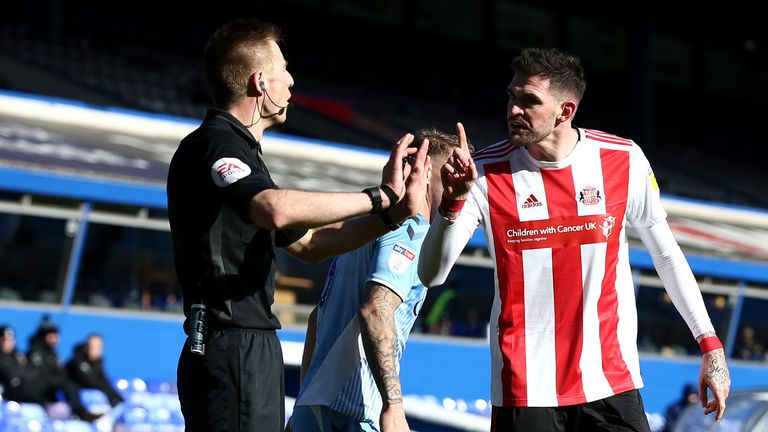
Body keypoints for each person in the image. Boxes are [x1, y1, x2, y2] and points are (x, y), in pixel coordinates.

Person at [418, 47, 731, 431]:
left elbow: (666, 255)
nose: (514, 109)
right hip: (525, 389)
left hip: (610, 381)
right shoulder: (483, 172)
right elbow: (432, 274)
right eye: (511, 97)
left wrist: (710, 346)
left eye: (529, 101)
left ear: (565, 111)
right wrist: (452, 203)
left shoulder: (623, 159)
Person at [167, 18, 429, 432]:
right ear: (260, 82)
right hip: (231, 344)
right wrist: (378, 196)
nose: (291, 82)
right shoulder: (215, 145)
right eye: (284, 70)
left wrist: (390, 216)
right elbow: (274, 210)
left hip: (250, 345)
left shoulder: (246, 156)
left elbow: (312, 246)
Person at [290, 127, 472, 432]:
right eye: (450, 172)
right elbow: (376, 310)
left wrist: (303, 405)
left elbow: (315, 320)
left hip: (317, 409)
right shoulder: (410, 230)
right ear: (424, 172)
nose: (459, 182)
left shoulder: (367, 227)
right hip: (352, 413)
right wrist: (394, 406)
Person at [65, 333, 124, 412]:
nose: (98, 349)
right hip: (74, 397)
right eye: (94, 346)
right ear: (87, 346)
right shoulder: (77, 360)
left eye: (99, 346)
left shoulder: (99, 362)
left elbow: (104, 381)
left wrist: (117, 399)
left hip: (91, 398)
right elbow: (89, 380)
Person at [0, 324, 46, 404]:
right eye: (4, 340)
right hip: (7, 399)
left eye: (11, 340)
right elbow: (10, 377)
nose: (8, 343)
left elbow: (32, 376)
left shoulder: (19, 356)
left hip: (26, 399)